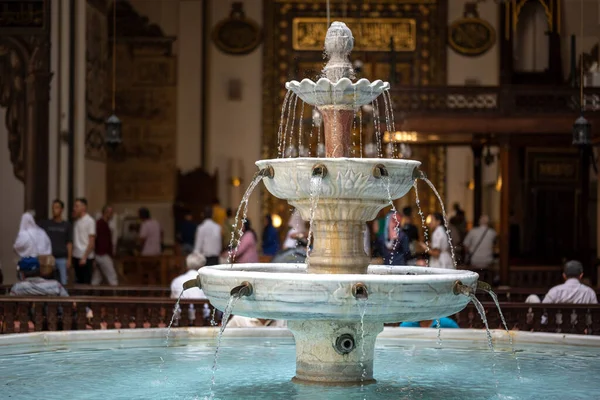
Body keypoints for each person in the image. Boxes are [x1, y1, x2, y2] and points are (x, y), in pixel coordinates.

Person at [39, 199, 73, 285]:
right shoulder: (47, 224)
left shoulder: (67, 225)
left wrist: (69, 259)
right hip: (49, 258)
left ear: (61, 209)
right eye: (53, 208)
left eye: (57, 207)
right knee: (47, 282)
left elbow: (69, 243)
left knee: (64, 281)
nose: (54, 210)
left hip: (62, 257)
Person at [14, 212, 53, 277]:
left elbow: (17, 246)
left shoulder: (24, 234)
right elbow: (48, 245)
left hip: (27, 264)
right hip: (42, 264)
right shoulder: (41, 232)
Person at [93, 205, 118, 286]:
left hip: (102, 253)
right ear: (105, 213)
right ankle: (117, 296)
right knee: (112, 276)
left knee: (97, 277)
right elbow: (96, 239)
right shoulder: (99, 224)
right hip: (102, 254)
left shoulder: (107, 224)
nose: (112, 215)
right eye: (110, 213)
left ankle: (91, 295)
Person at [72, 198, 96, 284]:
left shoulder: (90, 221)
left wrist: (84, 257)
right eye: (74, 206)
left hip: (85, 257)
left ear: (83, 207)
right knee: (78, 282)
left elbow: (91, 242)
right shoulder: (76, 221)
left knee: (85, 283)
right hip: (76, 255)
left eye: (77, 206)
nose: (74, 208)